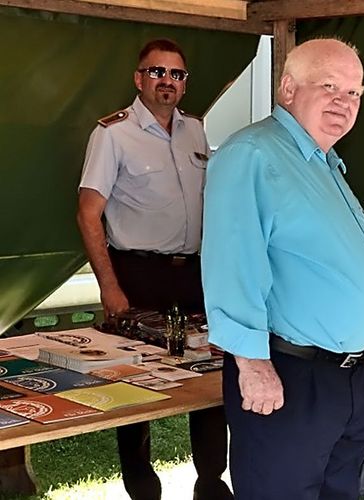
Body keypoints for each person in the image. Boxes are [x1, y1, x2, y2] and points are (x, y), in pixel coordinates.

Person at [201, 38, 364, 499]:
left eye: (354, 93)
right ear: (288, 88)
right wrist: (251, 363)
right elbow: (231, 263)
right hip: (288, 377)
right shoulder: (254, 154)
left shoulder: (324, 162)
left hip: (345, 379)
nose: (343, 103)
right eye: (329, 86)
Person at [76, 39, 232, 500]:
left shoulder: (195, 130)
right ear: (139, 79)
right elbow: (88, 214)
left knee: (208, 374)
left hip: (194, 272)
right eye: (157, 72)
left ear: (184, 84)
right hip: (138, 273)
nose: (168, 81)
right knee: (136, 383)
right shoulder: (112, 133)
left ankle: (210, 483)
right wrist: (110, 286)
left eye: (177, 75)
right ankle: (142, 489)